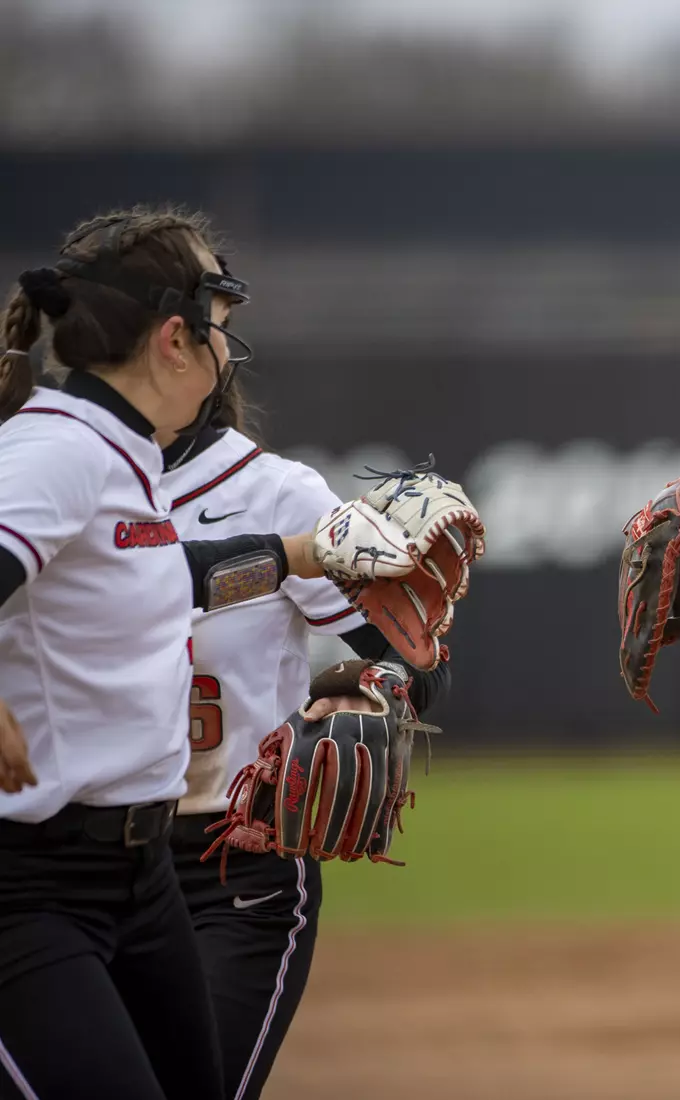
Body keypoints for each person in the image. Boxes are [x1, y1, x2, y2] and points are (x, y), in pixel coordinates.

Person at [0, 208, 364, 1100]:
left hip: (140, 873)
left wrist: (296, 560)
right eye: (219, 331)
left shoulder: (117, 453)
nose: (223, 356)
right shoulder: (58, 451)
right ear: (174, 338)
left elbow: (167, 575)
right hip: (30, 882)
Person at [161, 377, 451, 1100]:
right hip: (75, 857)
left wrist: (373, 686)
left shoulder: (274, 491)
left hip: (234, 866)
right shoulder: (47, 474)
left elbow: (407, 655)